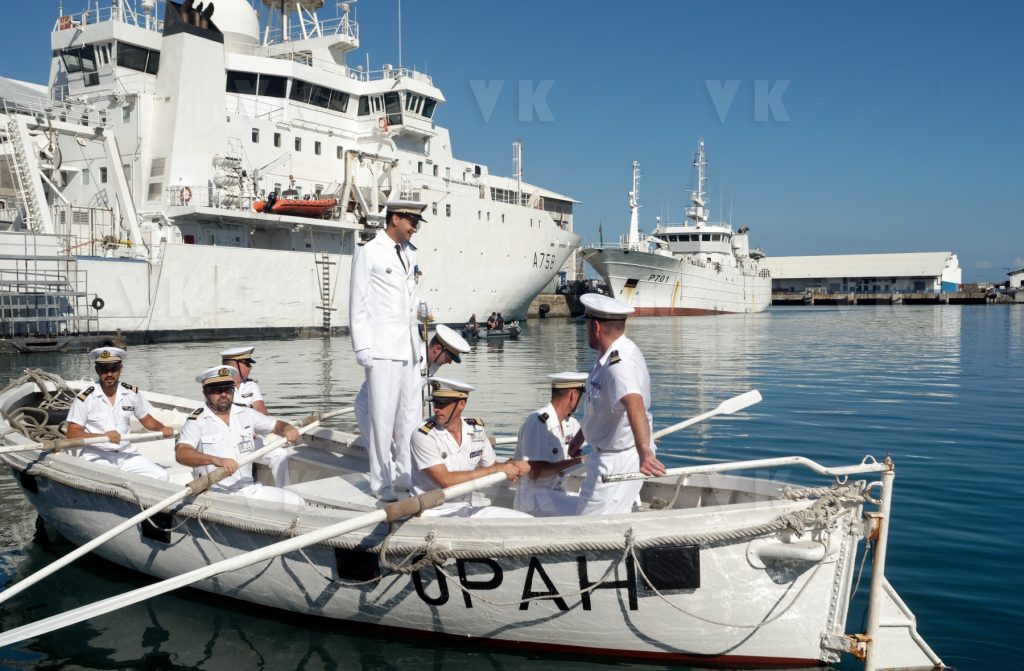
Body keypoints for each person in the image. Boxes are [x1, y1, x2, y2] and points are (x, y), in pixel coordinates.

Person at [349, 199, 429, 501]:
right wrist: (362, 346)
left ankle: (405, 474)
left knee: (410, 415)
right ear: (394, 218)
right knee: (382, 418)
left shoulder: (410, 253)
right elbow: (358, 302)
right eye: (411, 220)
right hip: (381, 346)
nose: (415, 227)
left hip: (409, 346)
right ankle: (381, 483)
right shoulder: (369, 252)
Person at [570, 294, 666, 515]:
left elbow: (634, 404)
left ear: (595, 326)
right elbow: (602, 408)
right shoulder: (610, 354)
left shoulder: (618, 365)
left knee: (588, 528)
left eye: (586, 325)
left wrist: (645, 452)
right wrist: (580, 437)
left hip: (617, 459)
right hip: (609, 454)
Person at [352, 324, 471, 481]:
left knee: (405, 454)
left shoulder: (432, 364)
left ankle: (402, 487)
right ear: (437, 349)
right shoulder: (411, 358)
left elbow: (416, 396)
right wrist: (396, 433)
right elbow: (392, 396)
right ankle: (385, 494)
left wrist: (420, 428)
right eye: (448, 358)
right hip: (372, 406)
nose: (448, 362)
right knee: (384, 455)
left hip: (394, 408)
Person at [175, 366, 304, 505]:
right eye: (217, 390)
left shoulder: (246, 413)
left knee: (296, 502)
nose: (224, 394)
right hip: (214, 493)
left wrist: (287, 429)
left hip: (248, 488)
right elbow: (182, 454)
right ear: (205, 392)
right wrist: (216, 460)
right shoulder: (197, 420)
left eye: (228, 389)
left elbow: (277, 425)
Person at [411, 378, 532, 518]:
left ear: (461, 404)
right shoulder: (423, 434)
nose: (437, 408)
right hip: (433, 512)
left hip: (466, 507)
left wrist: (512, 464)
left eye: (443, 404)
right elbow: (446, 481)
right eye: (435, 402)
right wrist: (496, 469)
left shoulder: (476, 429)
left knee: (525, 520)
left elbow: (491, 466)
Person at [66, 347, 175, 480]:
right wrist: (103, 436)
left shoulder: (131, 393)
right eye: (104, 370)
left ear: (121, 370)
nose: (109, 374)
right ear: (97, 371)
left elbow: (146, 419)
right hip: (97, 455)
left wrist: (162, 428)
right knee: (111, 479)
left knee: (161, 475)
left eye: (114, 369)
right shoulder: (85, 397)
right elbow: (72, 433)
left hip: (125, 453)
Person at [513, 372, 588, 516]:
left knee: (594, 503)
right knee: (588, 511)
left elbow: (577, 455)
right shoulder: (538, 423)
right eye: (581, 394)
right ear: (573, 395)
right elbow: (536, 473)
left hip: (557, 492)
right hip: (534, 499)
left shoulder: (570, 423)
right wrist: (578, 462)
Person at [220, 345, 291, 486]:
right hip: (228, 441)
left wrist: (279, 430)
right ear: (235, 365)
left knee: (280, 455)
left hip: (250, 439)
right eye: (246, 364)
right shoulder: (218, 388)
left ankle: (285, 493)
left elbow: (262, 412)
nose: (250, 368)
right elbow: (221, 417)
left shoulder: (251, 386)